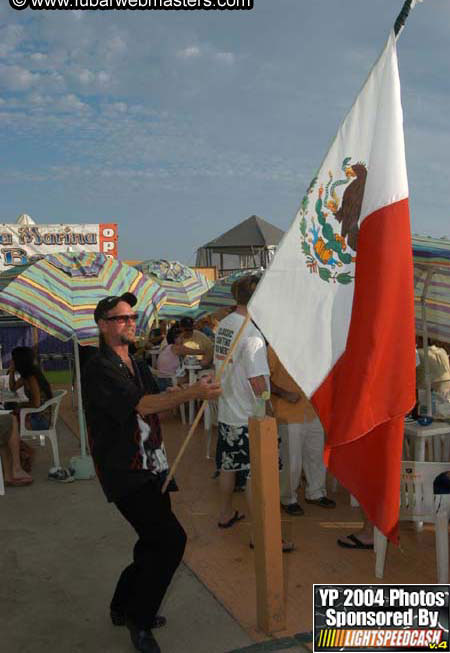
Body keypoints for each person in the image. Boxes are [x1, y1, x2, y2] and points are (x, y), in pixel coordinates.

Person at [82, 293, 221, 653]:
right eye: (121, 318)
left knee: (152, 542)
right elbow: (141, 405)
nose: (130, 323)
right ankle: (138, 620)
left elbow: (154, 396)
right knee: (170, 541)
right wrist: (190, 392)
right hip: (125, 471)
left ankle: (120, 605)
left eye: (132, 317)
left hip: (153, 466)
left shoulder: (137, 364)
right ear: (103, 325)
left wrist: (176, 390)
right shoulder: (99, 368)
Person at [214, 276, 294, 551]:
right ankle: (260, 535)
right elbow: (258, 381)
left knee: (228, 465)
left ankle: (225, 513)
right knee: (255, 475)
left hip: (227, 411)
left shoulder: (224, 325)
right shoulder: (252, 334)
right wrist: (268, 409)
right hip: (249, 416)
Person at [268, 345, 335, 515]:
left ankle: (316, 492)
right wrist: (283, 393)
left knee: (317, 455)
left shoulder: (312, 345)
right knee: (292, 460)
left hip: (313, 411)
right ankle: (288, 498)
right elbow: (262, 378)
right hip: (287, 413)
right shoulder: (275, 347)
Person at [1, 346, 53, 486]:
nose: (11, 360)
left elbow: (36, 403)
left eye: (13, 359)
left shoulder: (31, 377)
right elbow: (12, 388)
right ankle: (18, 455)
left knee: (10, 423)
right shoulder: (26, 375)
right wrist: (11, 371)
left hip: (40, 419)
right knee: (10, 418)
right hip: (35, 415)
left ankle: (21, 456)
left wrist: (21, 407)